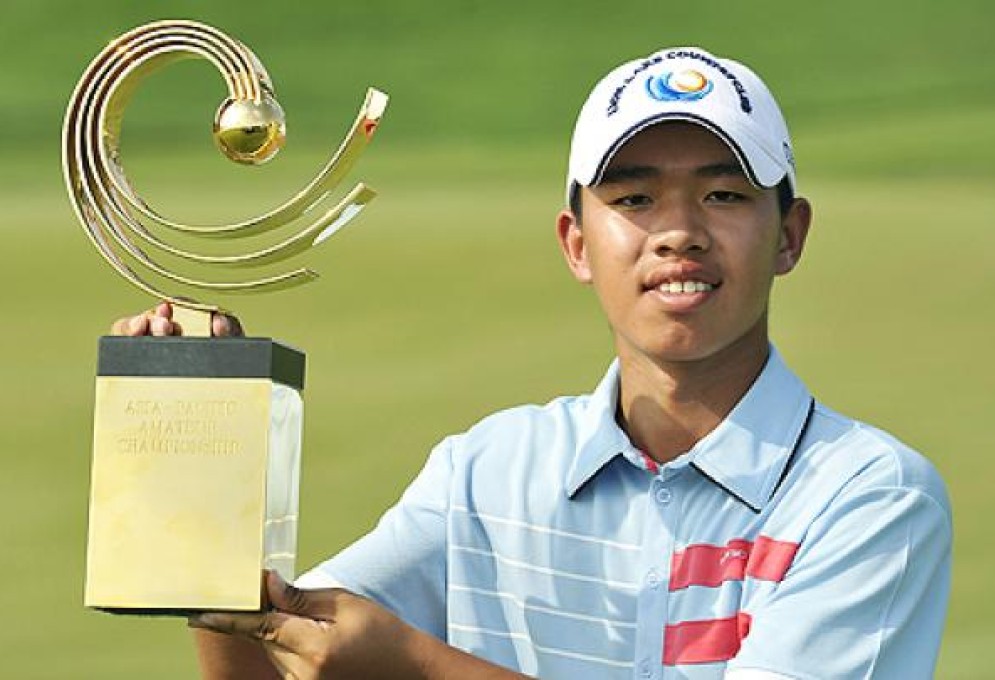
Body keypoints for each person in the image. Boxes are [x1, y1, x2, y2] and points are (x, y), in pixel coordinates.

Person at [118, 47, 952, 679]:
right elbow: (275, 656)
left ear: (791, 234)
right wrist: (205, 480)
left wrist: (418, 667)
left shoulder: (871, 496)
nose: (678, 230)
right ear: (577, 243)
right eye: (631, 198)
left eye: (725, 194)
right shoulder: (486, 472)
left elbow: (386, 660)